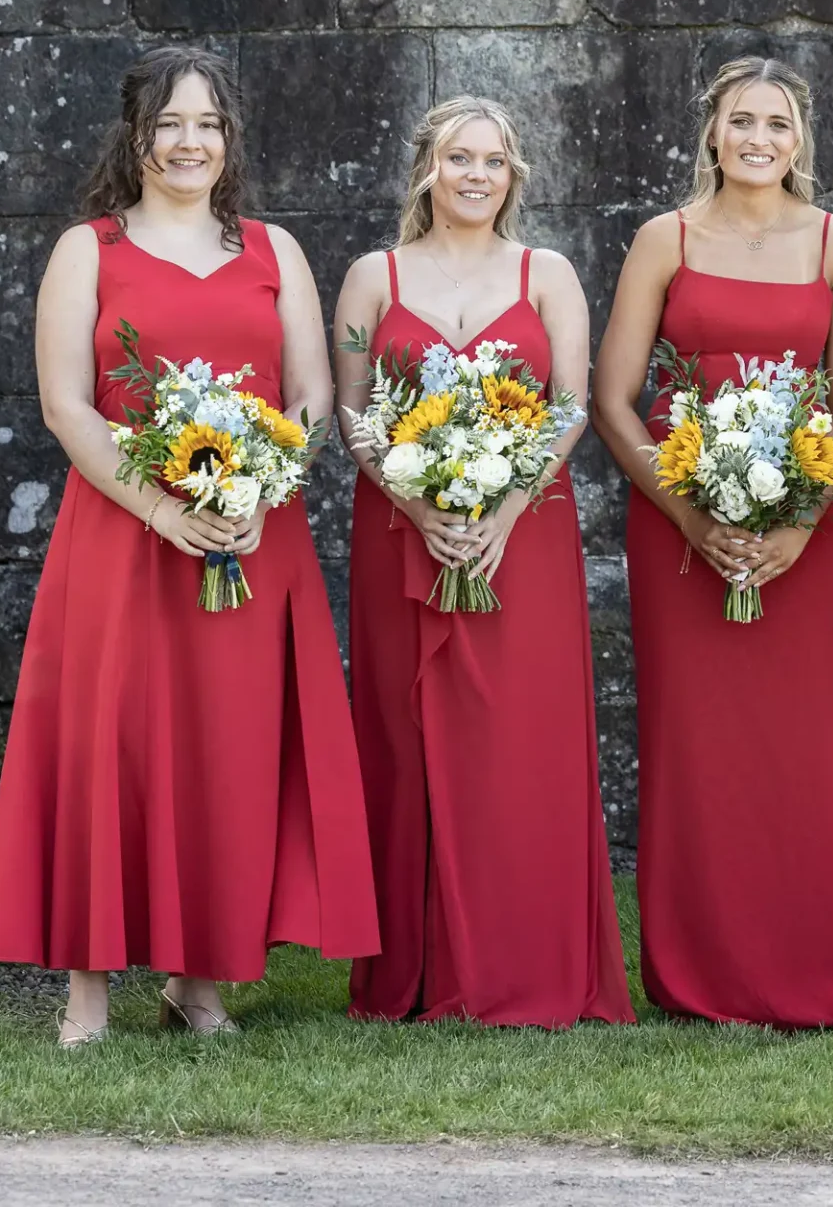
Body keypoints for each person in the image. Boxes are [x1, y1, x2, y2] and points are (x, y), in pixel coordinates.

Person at [0, 46, 380, 1046]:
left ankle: (199, 984)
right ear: (137, 137)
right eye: (170, 124)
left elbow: (312, 397)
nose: (189, 141)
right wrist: (161, 508)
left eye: (207, 123)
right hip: (122, 540)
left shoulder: (274, 250)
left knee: (228, 755)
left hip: (252, 540)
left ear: (228, 140)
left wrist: (261, 490)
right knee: (108, 746)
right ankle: (88, 993)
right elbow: (67, 403)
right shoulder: (89, 249)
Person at [589, 59, 833, 1028]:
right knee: (695, 747)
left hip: (801, 530)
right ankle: (699, 977)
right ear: (712, 135)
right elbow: (612, 397)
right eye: (741, 121)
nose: (759, 138)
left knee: (791, 750)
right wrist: (691, 513)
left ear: (799, 141)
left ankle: (808, 971)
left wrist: (802, 518)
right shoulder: (663, 240)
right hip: (681, 527)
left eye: (778, 123)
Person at [336, 97, 633, 1028]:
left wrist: (500, 513)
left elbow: (571, 406)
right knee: (408, 734)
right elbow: (352, 416)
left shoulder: (546, 274)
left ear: (514, 176)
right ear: (426, 167)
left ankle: (526, 964)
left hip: (525, 533)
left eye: (494, 162)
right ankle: (416, 973)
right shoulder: (370, 278)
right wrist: (422, 508)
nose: (475, 175)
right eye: (458, 158)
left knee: (519, 740)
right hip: (399, 533)